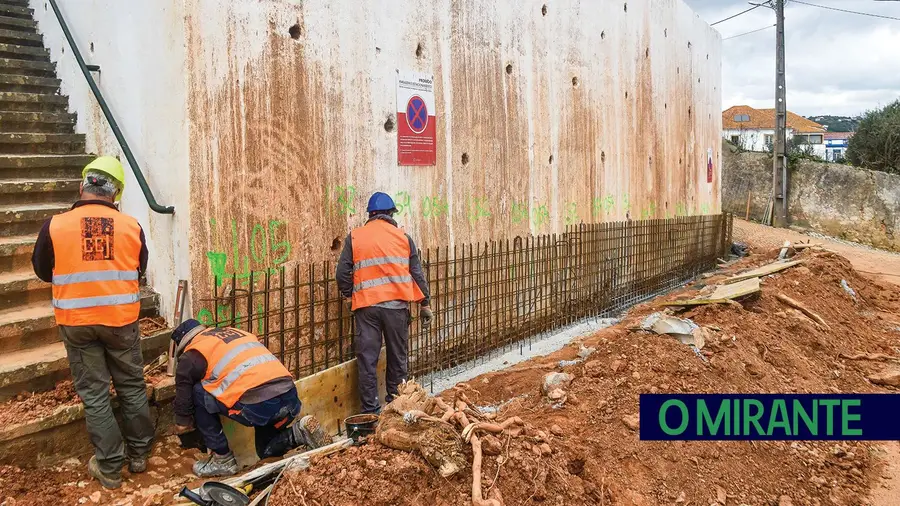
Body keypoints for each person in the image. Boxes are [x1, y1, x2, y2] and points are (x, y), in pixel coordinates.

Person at [31, 156, 154, 489]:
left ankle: (111, 467)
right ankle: (140, 454)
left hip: (77, 322)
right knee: (130, 386)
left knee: (96, 394)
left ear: (82, 186)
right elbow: (140, 267)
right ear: (116, 194)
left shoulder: (54, 226)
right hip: (121, 321)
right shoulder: (132, 226)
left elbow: (43, 270)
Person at [170, 319, 329, 477]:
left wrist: (183, 423)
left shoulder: (192, 353)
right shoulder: (237, 334)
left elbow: (184, 405)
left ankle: (222, 460)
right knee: (265, 451)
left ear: (184, 344)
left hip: (257, 406)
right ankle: (299, 432)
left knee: (198, 391)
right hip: (289, 398)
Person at [335, 192, 433, 415]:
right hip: (396, 309)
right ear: (391, 214)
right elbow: (417, 274)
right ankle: (396, 406)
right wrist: (425, 304)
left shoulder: (355, 237)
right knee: (397, 358)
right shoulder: (403, 238)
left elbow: (342, 273)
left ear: (370, 214)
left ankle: (371, 412)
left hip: (367, 308)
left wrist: (351, 295)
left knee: (367, 360)